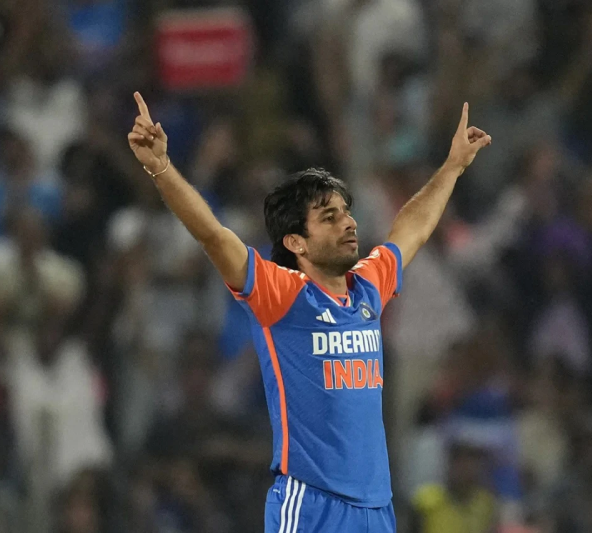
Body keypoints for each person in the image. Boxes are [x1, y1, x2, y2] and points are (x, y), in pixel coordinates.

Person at [127, 91, 491, 533]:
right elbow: (214, 236)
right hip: (311, 507)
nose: (349, 223)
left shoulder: (368, 287)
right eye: (330, 217)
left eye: (346, 213)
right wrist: (161, 168)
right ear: (296, 242)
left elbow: (411, 228)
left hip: (376, 508)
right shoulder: (282, 294)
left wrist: (452, 167)